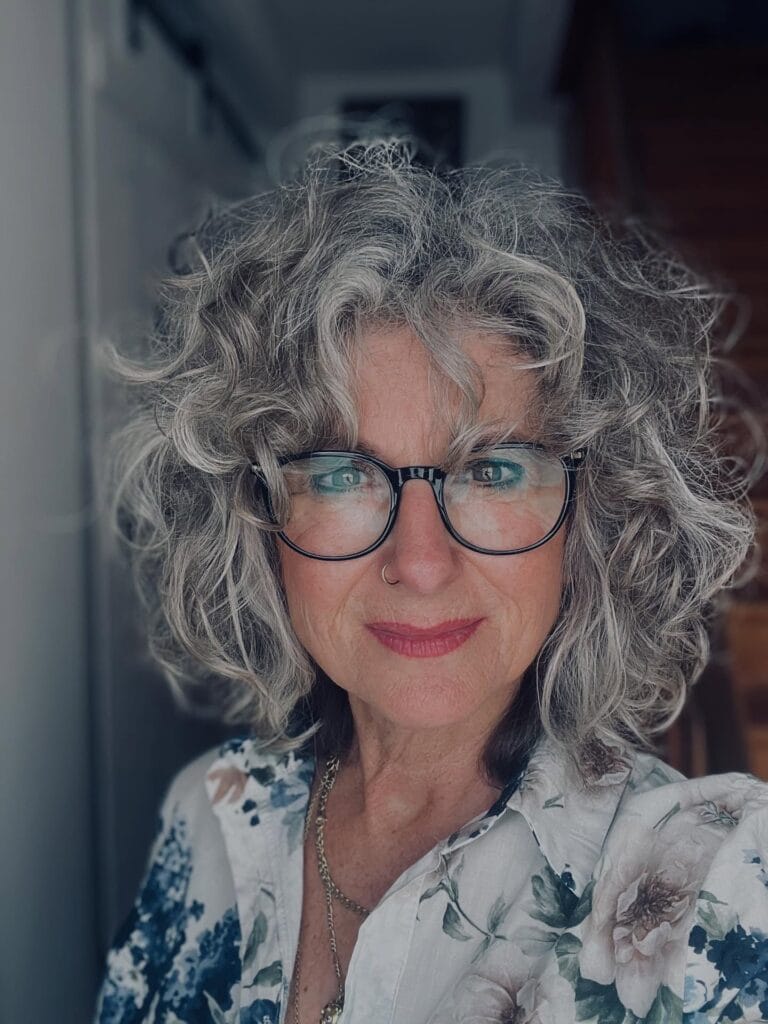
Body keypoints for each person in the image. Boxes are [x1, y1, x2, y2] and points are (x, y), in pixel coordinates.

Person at [93, 140, 768, 1024]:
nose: (418, 563)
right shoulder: (211, 811)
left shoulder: (714, 876)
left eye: (491, 472)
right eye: (341, 474)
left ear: (588, 519)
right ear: (256, 522)